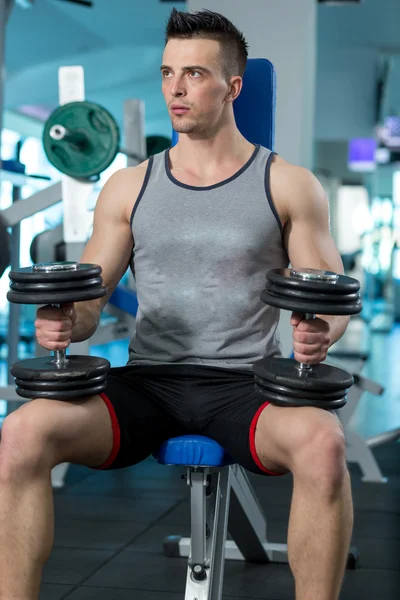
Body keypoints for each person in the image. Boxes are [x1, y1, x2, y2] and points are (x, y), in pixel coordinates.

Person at [0, 8, 353, 600]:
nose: (175, 89)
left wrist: (325, 332)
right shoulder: (130, 185)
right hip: (147, 384)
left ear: (233, 87)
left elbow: (331, 293)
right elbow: (92, 298)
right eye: (167, 73)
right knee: (22, 433)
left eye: (193, 74)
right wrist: (67, 323)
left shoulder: (287, 184)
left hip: (247, 386)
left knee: (325, 444)